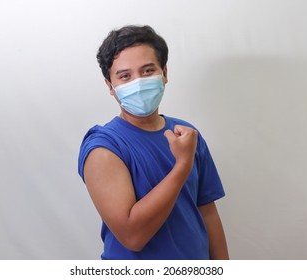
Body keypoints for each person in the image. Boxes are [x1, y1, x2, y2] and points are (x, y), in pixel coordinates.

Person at [78, 25, 229, 260]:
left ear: (164, 73)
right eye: (125, 76)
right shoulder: (104, 148)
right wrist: (182, 165)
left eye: (148, 71)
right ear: (110, 86)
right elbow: (132, 236)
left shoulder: (187, 135)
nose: (138, 83)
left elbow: (207, 212)